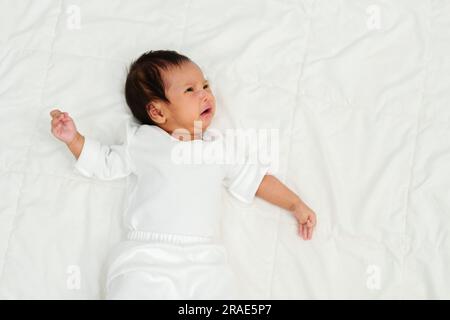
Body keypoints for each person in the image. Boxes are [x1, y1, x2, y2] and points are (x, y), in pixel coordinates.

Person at [49, 50, 316, 299]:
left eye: (206, 86)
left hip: (205, 260)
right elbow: (105, 162)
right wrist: (74, 139)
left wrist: (295, 203)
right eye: (190, 90)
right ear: (157, 111)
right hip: (147, 256)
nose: (205, 94)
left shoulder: (218, 148)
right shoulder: (144, 141)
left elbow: (256, 179)